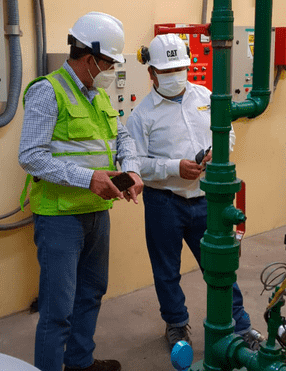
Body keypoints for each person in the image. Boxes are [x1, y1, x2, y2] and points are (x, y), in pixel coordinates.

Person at [18, 12, 143, 371]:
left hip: (97, 213)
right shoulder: (48, 91)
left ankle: (80, 362)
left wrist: (131, 169)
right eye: (108, 63)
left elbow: (121, 137)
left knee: (90, 294)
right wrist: (89, 178)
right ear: (90, 58)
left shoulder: (98, 94)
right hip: (60, 219)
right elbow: (30, 157)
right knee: (57, 310)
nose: (110, 70)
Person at [126, 33, 263, 351]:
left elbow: (226, 134)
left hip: (207, 200)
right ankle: (175, 325)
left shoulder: (205, 95)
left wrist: (219, 151)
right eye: (168, 71)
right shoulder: (142, 115)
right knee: (166, 270)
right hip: (164, 202)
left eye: (180, 69)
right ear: (151, 73)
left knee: (220, 265)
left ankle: (239, 324)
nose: (176, 76)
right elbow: (135, 164)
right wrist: (175, 168)